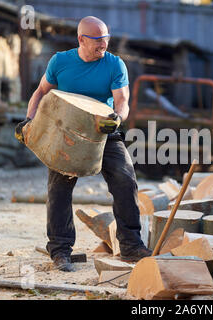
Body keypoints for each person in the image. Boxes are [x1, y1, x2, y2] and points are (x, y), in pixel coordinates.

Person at [15, 16, 152, 272]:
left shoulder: (115, 64)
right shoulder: (60, 61)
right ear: (81, 39)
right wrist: (29, 122)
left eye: (106, 40)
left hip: (104, 130)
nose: (104, 46)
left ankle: (131, 245)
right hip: (66, 131)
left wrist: (117, 119)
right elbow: (41, 92)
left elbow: (122, 100)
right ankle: (60, 250)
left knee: (125, 178)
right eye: (98, 41)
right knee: (59, 189)